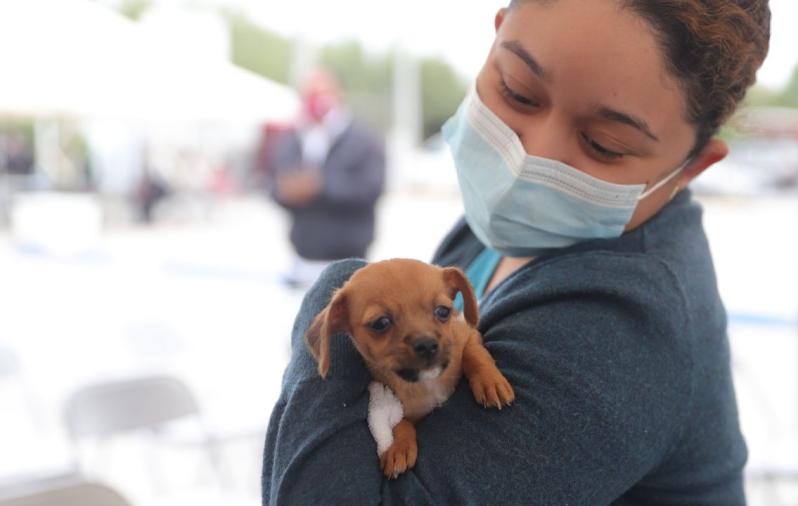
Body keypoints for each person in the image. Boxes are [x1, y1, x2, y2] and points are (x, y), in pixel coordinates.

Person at [262, 0, 770, 504]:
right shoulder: (505, 234)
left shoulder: (619, 327)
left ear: (690, 169)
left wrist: (336, 293)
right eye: (518, 91)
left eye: (604, 144)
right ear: (497, 35)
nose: (531, 158)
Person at [271, 68, 386, 287]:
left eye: (322, 92)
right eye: (309, 94)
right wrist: (288, 191)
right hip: (302, 261)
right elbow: (273, 186)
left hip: (349, 265)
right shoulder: (293, 137)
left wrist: (321, 186)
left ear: (339, 94)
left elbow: (372, 188)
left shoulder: (364, 140)